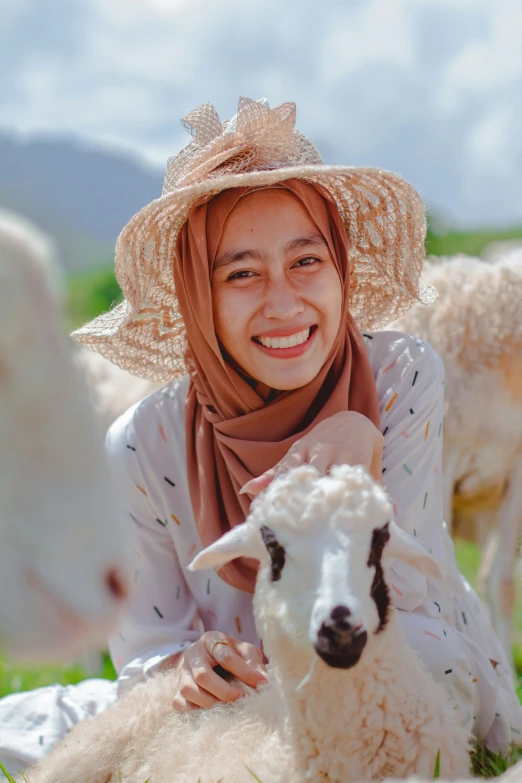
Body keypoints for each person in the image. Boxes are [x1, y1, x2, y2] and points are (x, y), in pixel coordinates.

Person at [0, 97, 520, 774]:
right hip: (235, 694)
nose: (283, 301)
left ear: (340, 268)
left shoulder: (400, 376)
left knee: (418, 677)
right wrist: (186, 663)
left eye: (307, 261)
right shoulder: (141, 443)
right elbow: (148, 645)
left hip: (384, 641)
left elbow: (409, 590)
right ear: (197, 296)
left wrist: (359, 435)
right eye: (241, 273)